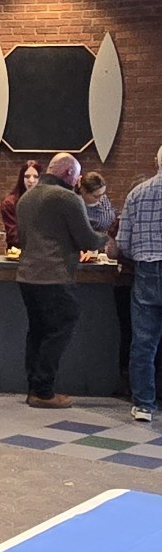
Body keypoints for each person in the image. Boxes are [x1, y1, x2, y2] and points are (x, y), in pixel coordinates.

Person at [16, 152, 108, 408]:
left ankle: (33, 387)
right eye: (78, 176)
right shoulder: (66, 198)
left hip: (26, 275)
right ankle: (43, 391)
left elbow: (22, 238)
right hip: (54, 275)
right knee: (62, 325)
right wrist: (106, 237)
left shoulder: (27, 197)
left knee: (37, 331)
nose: (79, 181)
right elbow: (87, 240)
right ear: (69, 174)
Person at [116, 146, 162, 422]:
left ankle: (144, 404)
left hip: (146, 271)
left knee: (144, 341)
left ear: (156, 162)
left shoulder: (137, 193)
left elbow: (123, 243)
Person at [0, 160, 42, 249]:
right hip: (19, 254)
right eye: (27, 176)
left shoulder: (45, 201)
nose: (31, 180)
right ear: (21, 178)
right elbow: (13, 236)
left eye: (36, 177)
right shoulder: (9, 203)